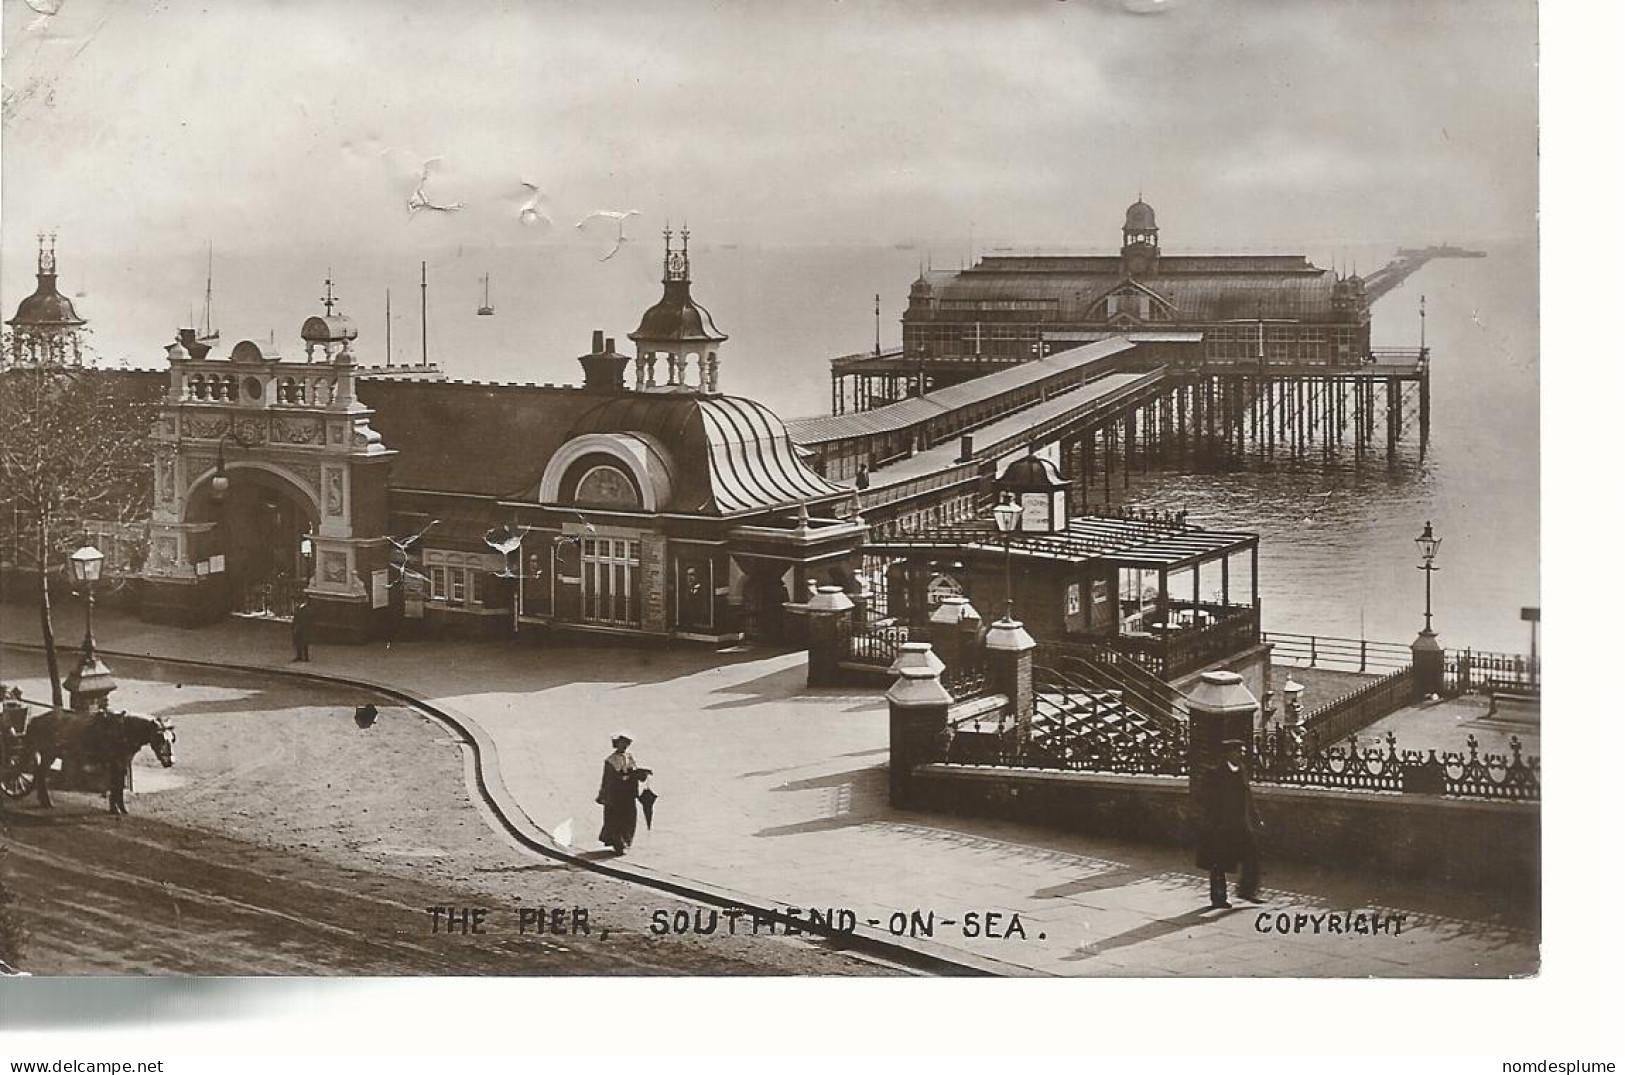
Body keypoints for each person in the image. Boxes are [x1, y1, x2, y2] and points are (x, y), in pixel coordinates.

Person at [1195, 739, 1262, 909]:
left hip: (1242, 823)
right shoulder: (1215, 773)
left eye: (1242, 751)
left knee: (1252, 856)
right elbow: (1202, 797)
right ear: (1228, 754)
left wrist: (1256, 817)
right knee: (1218, 862)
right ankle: (1218, 898)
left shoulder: (1242, 770)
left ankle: (1247, 891)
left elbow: (1249, 797)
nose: (1242, 754)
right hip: (1221, 826)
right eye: (1239, 751)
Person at [596, 733, 650, 855]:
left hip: (628, 793)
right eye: (622, 743)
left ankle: (625, 841)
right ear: (617, 744)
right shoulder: (610, 760)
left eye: (627, 744)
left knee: (629, 817)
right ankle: (618, 843)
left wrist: (642, 773)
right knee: (616, 819)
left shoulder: (629, 757)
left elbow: (633, 772)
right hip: (616, 794)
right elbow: (607, 779)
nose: (625, 746)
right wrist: (604, 794)